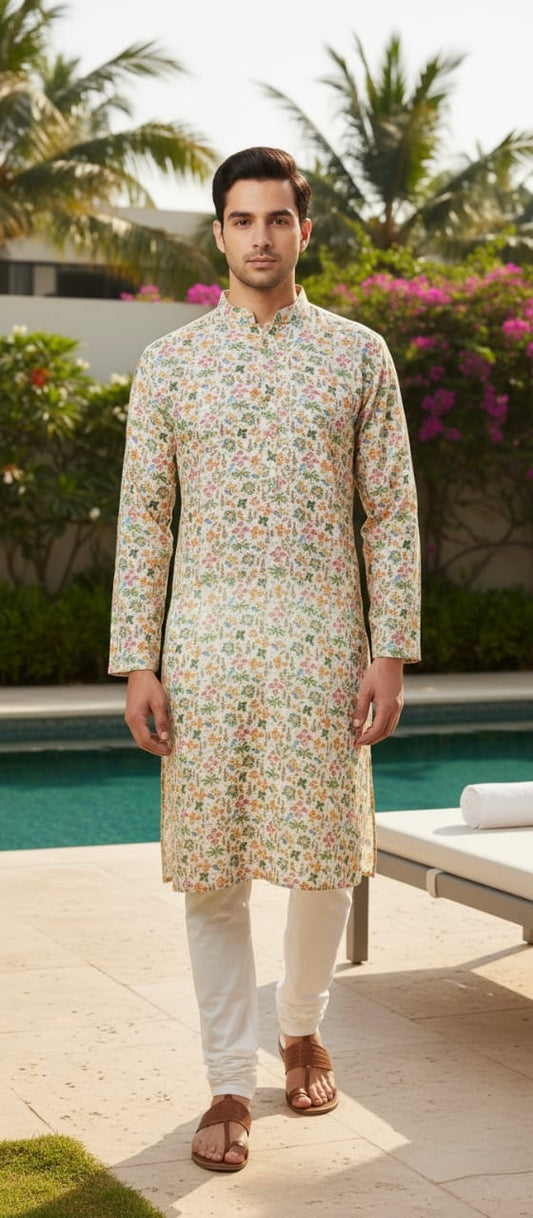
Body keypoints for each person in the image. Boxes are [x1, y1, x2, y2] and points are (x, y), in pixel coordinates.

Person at [109, 146, 421, 1173]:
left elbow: (389, 514)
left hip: (322, 648)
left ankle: (299, 1026)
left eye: (275, 219)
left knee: (321, 863)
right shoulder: (170, 364)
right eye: (240, 220)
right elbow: (146, 521)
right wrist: (137, 661)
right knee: (212, 878)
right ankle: (225, 1082)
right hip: (201, 653)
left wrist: (390, 651)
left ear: (302, 230)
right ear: (219, 234)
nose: (258, 238)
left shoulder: (356, 356)